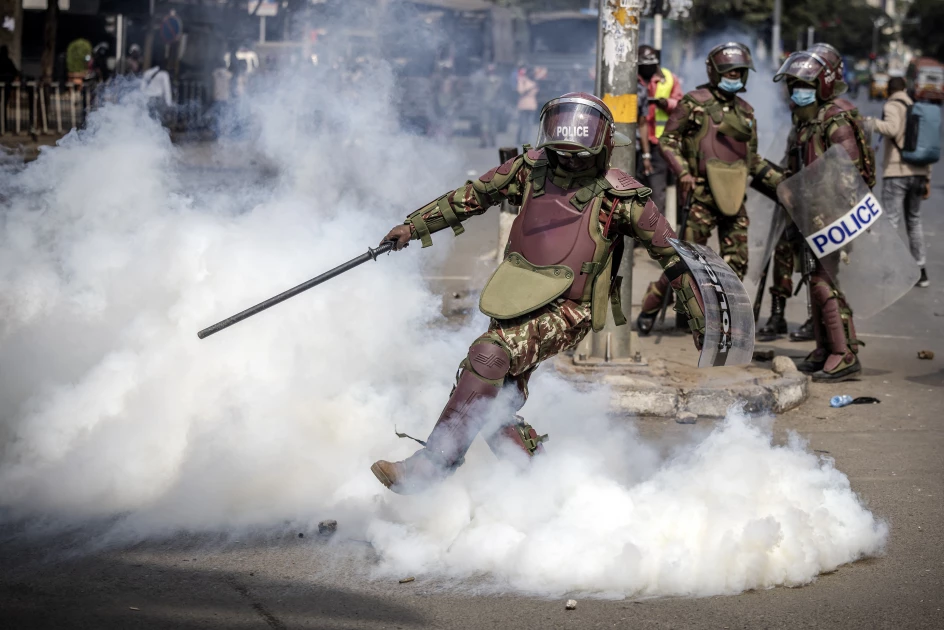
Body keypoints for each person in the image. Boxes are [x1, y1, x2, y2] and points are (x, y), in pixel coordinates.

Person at [370, 93, 706, 494]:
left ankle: (430, 469)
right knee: (492, 398)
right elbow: (472, 196)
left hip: (569, 309)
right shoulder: (531, 169)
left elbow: (675, 257)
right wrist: (413, 226)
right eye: (560, 152)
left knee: (488, 355)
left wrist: (703, 321)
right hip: (516, 296)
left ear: (603, 146)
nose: (568, 162)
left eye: (578, 155)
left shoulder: (622, 197)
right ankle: (545, 490)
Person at [637, 42, 784, 334]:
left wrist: (782, 183)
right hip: (700, 195)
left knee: (736, 263)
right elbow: (668, 141)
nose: (736, 77)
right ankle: (652, 304)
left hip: (733, 194)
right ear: (715, 72)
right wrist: (683, 173)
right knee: (686, 262)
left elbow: (751, 159)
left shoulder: (745, 112)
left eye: (741, 72)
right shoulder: (694, 103)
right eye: (730, 72)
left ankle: (720, 322)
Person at [771, 44, 876, 381]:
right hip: (807, 214)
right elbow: (794, 168)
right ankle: (825, 346)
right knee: (813, 279)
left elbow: (850, 174)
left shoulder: (836, 118)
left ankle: (844, 353)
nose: (798, 91)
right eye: (794, 85)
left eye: (805, 85)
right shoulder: (805, 120)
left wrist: (836, 215)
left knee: (822, 282)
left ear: (824, 83)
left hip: (832, 216)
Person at [869, 76, 932, 287]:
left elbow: (892, 129)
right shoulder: (917, 108)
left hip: (897, 172)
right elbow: (926, 144)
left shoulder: (891, 105)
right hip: (918, 173)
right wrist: (927, 177)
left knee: (891, 222)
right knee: (914, 222)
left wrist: (870, 123)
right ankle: (921, 271)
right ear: (905, 88)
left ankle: (889, 271)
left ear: (888, 90)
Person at [637, 45, 683, 217]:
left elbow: (681, 105)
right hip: (634, 142)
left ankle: (656, 235)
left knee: (657, 191)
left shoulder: (669, 79)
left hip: (658, 142)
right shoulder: (628, 77)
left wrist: (667, 103)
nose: (647, 69)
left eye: (650, 65)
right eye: (643, 66)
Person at [516, 67, 538, 145]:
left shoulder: (532, 82)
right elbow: (520, 91)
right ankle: (521, 139)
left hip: (530, 105)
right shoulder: (523, 81)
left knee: (528, 124)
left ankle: (525, 140)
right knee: (524, 124)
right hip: (524, 105)